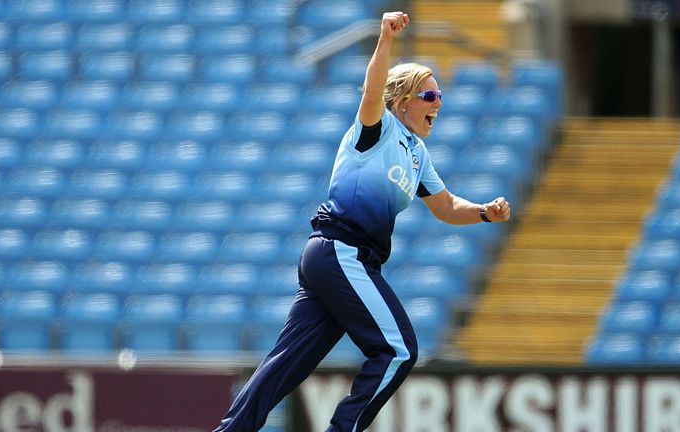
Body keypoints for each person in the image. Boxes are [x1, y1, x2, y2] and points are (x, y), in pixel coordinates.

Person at [213, 11, 511, 432]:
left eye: (440, 95)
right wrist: (386, 40)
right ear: (403, 100)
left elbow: (445, 206)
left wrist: (483, 211)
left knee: (287, 364)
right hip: (340, 251)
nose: (438, 103)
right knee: (398, 350)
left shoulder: (417, 154)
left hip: (335, 259)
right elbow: (373, 89)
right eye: (430, 96)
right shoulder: (379, 127)